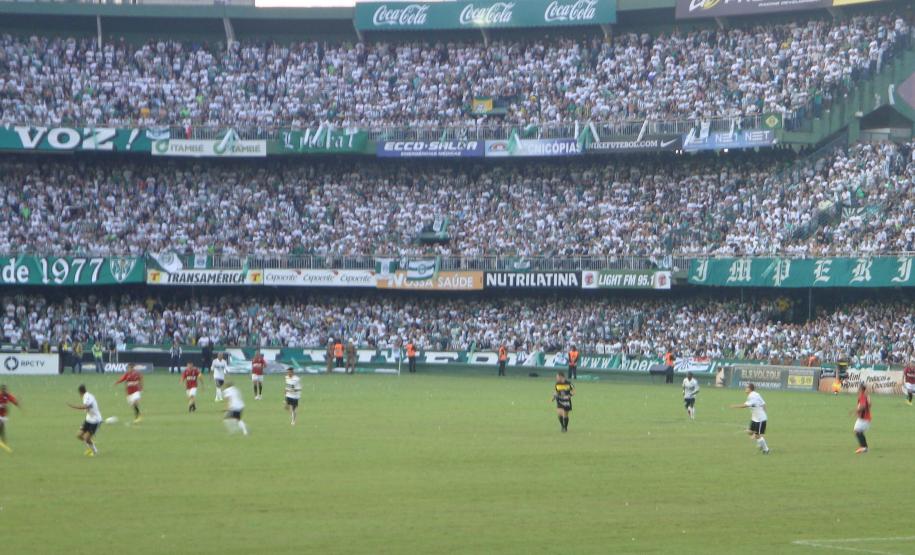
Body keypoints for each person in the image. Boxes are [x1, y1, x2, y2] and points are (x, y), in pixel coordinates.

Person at [731, 383, 770, 454]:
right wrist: (763, 412)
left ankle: (766, 449)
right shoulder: (756, 394)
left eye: (746, 388)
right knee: (750, 432)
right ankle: (760, 443)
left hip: (760, 419)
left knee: (757, 435)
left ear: (750, 389)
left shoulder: (752, 396)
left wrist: (734, 406)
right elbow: (763, 403)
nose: (745, 389)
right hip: (755, 418)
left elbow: (745, 405)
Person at [68, 385, 102, 457]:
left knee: (86, 438)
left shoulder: (87, 397)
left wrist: (73, 406)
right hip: (88, 419)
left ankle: (95, 451)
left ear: (80, 392)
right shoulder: (86, 396)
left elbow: (85, 406)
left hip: (95, 421)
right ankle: (90, 447)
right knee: (79, 436)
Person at [0, 384, 21, 453]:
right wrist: (2, 405)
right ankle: (3, 440)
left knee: (2, 427)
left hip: (4, 415)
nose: (5, 391)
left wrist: (18, 404)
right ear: (1, 390)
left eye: (5, 389)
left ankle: (3, 440)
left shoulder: (8, 395)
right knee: (1, 425)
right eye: (3, 390)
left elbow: (14, 401)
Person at [852, 383, 872, 454]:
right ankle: (864, 447)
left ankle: (864, 447)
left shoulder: (862, 396)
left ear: (861, 389)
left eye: (859, 388)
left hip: (864, 418)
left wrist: (856, 411)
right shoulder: (865, 396)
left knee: (857, 431)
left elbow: (863, 406)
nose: (858, 390)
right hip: (865, 418)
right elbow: (869, 405)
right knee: (859, 432)